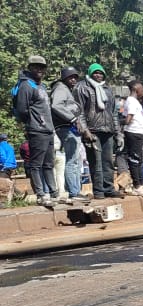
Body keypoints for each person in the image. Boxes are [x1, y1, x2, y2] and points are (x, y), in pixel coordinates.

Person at [13, 55, 60, 205]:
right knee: (36, 164)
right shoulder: (26, 85)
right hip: (37, 130)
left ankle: (54, 193)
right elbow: (22, 109)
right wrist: (34, 122)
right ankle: (41, 194)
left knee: (49, 164)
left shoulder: (41, 86)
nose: (39, 69)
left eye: (42, 67)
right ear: (30, 68)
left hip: (48, 130)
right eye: (36, 67)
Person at [75, 63, 123, 199]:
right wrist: (85, 131)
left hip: (108, 130)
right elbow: (79, 112)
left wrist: (118, 133)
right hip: (92, 130)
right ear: (90, 73)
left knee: (108, 162)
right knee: (96, 162)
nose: (98, 75)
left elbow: (114, 113)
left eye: (101, 73)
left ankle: (109, 188)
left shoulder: (107, 89)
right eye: (95, 72)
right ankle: (98, 191)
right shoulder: (81, 87)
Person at [50, 66, 88, 201]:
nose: (73, 80)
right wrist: (72, 119)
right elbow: (56, 105)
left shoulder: (66, 89)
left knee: (76, 160)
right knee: (72, 161)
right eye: (70, 77)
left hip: (70, 128)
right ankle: (74, 192)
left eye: (75, 77)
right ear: (64, 78)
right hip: (66, 128)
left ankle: (76, 190)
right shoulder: (60, 88)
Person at [121, 81, 143, 196]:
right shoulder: (131, 101)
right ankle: (137, 185)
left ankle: (142, 184)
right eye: (141, 89)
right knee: (134, 159)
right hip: (133, 132)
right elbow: (128, 119)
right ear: (136, 89)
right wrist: (119, 122)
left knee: (139, 159)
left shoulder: (135, 101)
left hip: (138, 132)